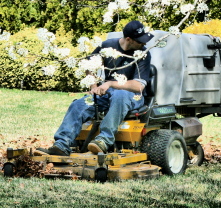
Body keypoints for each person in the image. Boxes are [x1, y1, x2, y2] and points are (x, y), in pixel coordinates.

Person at [39, 20, 154, 156]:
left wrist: (109, 83)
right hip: (108, 93)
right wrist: (93, 86)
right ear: (128, 39)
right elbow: (89, 64)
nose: (144, 44)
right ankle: (62, 144)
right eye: (140, 41)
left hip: (133, 96)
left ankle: (104, 140)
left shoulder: (143, 53)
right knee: (79, 104)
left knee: (120, 95)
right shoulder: (107, 46)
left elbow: (138, 85)